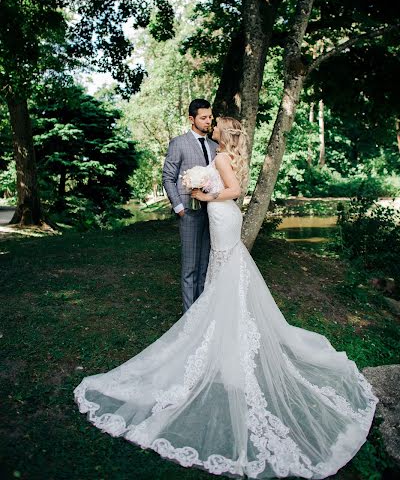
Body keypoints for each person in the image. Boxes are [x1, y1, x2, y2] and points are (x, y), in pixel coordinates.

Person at [74, 116, 378, 479]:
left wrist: (203, 194)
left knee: (224, 267)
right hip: (222, 218)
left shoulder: (220, 158)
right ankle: (226, 328)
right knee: (223, 269)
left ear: (222, 132)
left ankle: (227, 332)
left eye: (217, 123)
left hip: (222, 213)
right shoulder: (223, 153)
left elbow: (235, 192)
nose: (212, 125)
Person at [162, 98, 218, 312]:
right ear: (191, 119)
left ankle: (201, 314)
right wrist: (179, 208)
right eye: (203, 118)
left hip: (212, 212)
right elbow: (168, 177)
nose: (208, 121)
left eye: (210, 117)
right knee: (189, 268)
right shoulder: (179, 143)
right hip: (188, 212)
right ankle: (189, 318)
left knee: (205, 266)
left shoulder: (215, 146)